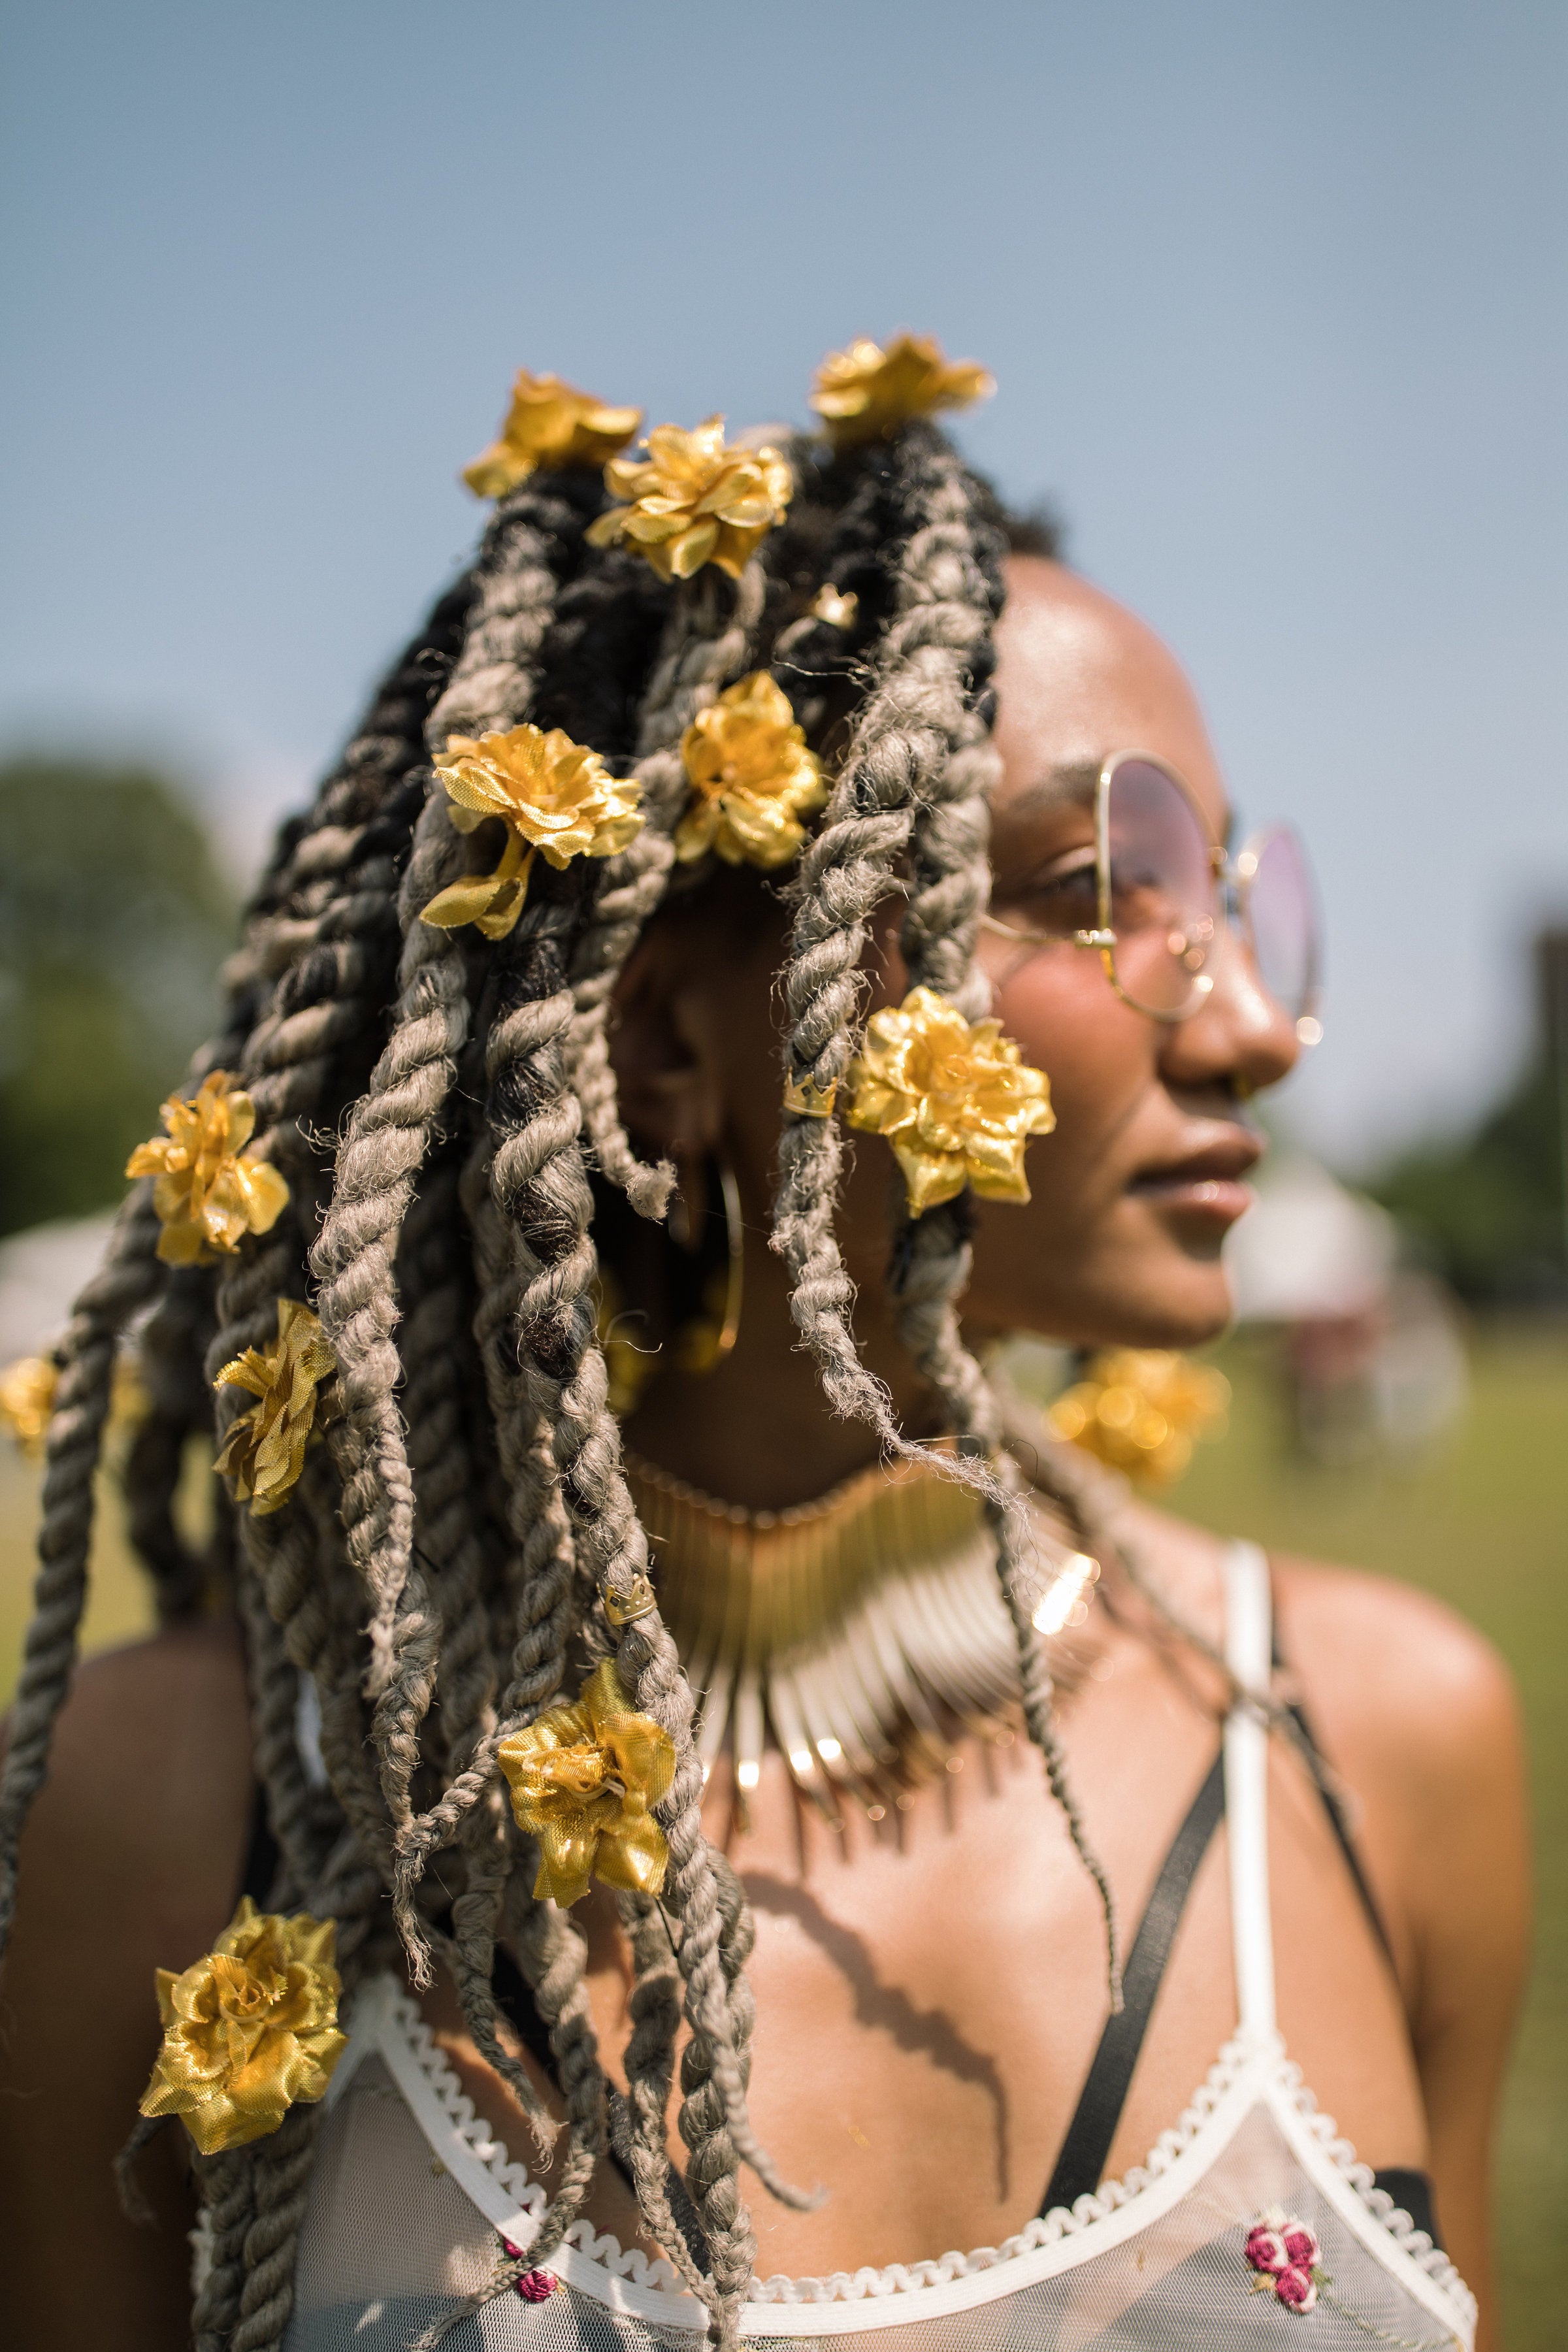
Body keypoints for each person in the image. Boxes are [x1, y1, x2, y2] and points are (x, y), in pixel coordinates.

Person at [0, 343, 1527, 2352]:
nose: (1254, 1018)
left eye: (1233, 895)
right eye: (1109, 891)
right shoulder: (174, 1804)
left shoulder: (1380, 1745)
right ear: (665, 1038)